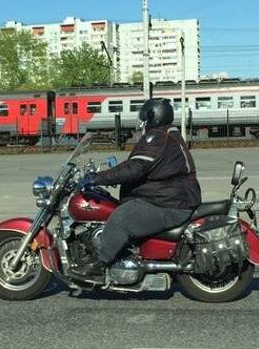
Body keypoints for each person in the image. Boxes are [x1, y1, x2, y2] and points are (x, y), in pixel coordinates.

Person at [82, 98, 201, 277]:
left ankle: (100, 264)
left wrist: (98, 178)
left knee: (121, 218)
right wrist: (111, 175)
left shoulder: (157, 137)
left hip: (170, 202)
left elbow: (135, 168)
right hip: (171, 197)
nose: (142, 119)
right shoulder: (166, 134)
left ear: (154, 116)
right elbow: (135, 164)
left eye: (145, 114)